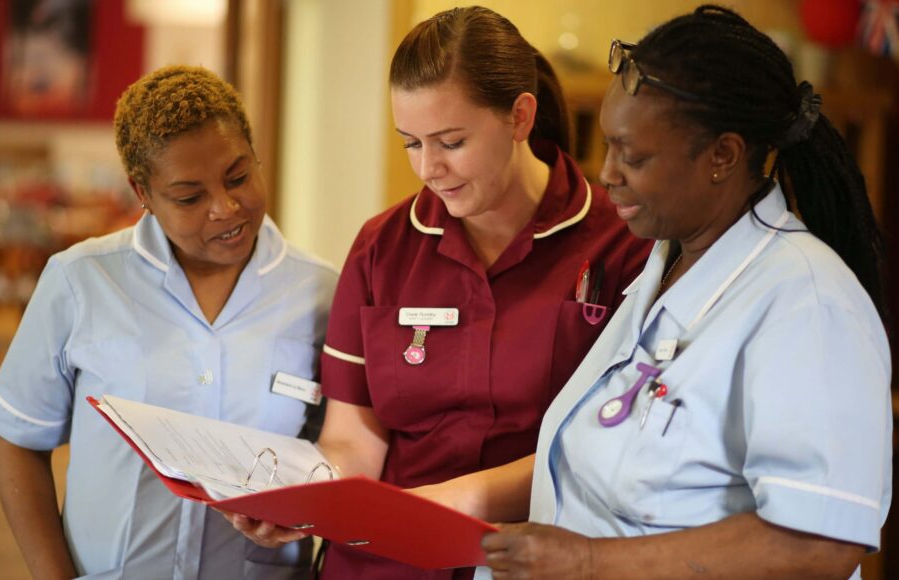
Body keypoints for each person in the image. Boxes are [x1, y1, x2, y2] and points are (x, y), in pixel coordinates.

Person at [431, 6, 891, 579]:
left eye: (634, 156)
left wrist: (591, 562)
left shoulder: (809, 301)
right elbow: (591, 457)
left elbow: (819, 543)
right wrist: (432, 507)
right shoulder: (664, 267)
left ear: (722, 156)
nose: (606, 173)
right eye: (606, 146)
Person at [228, 6, 651, 579]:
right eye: (411, 143)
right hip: (383, 559)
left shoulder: (623, 247)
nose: (429, 168)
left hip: (531, 559)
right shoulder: (383, 248)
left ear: (520, 116)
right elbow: (353, 441)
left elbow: (609, 446)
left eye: (451, 141)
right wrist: (302, 503)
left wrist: (439, 507)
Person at [0, 65, 338, 579]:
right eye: (189, 197)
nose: (225, 207)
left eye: (238, 175)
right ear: (142, 192)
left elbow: (344, 452)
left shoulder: (320, 293)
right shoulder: (82, 282)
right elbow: (20, 439)